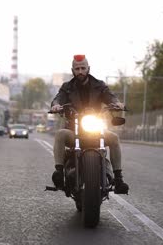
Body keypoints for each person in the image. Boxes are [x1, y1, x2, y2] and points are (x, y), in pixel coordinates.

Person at [50, 54, 129, 194]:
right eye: (77, 68)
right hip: (74, 132)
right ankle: (59, 172)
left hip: (96, 131)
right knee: (60, 134)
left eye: (83, 68)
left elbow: (110, 96)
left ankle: (118, 179)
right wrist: (56, 105)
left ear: (88, 68)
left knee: (114, 138)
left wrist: (116, 103)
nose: (80, 71)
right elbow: (58, 99)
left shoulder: (99, 85)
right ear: (72, 70)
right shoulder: (67, 87)